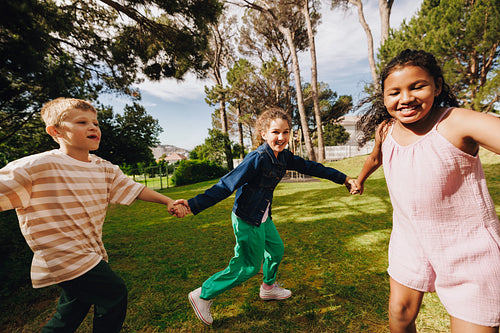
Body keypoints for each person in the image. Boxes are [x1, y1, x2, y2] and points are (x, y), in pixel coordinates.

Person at [0, 97, 188, 333]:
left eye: (96, 123)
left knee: (72, 310)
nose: (93, 127)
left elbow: (135, 188)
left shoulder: (104, 168)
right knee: (114, 292)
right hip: (63, 255)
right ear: (55, 131)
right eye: (81, 122)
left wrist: (167, 200)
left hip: (91, 251)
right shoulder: (35, 166)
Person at [354, 49, 500, 332]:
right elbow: (376, 158)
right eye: (394, 92)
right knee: (400, 315)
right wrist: (360, 179)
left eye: (417, 86)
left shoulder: (455, 122)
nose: (405, 98)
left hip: (468, 249)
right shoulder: (385, 131)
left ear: (437, 86)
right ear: (384, 98)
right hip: (409, 241)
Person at [175, 107, 357, 325]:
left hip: (263, 216)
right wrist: (193, 204)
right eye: (275, 132)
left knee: (276, 250)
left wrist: (344, 178)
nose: (281, 137)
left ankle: (268, 288)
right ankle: (203, 294)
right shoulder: (257, 158)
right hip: (247, 218)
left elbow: (312, 167)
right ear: (263, 133)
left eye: (286, 132)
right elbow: (226, 185)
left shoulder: (283, 157)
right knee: (248, 266)